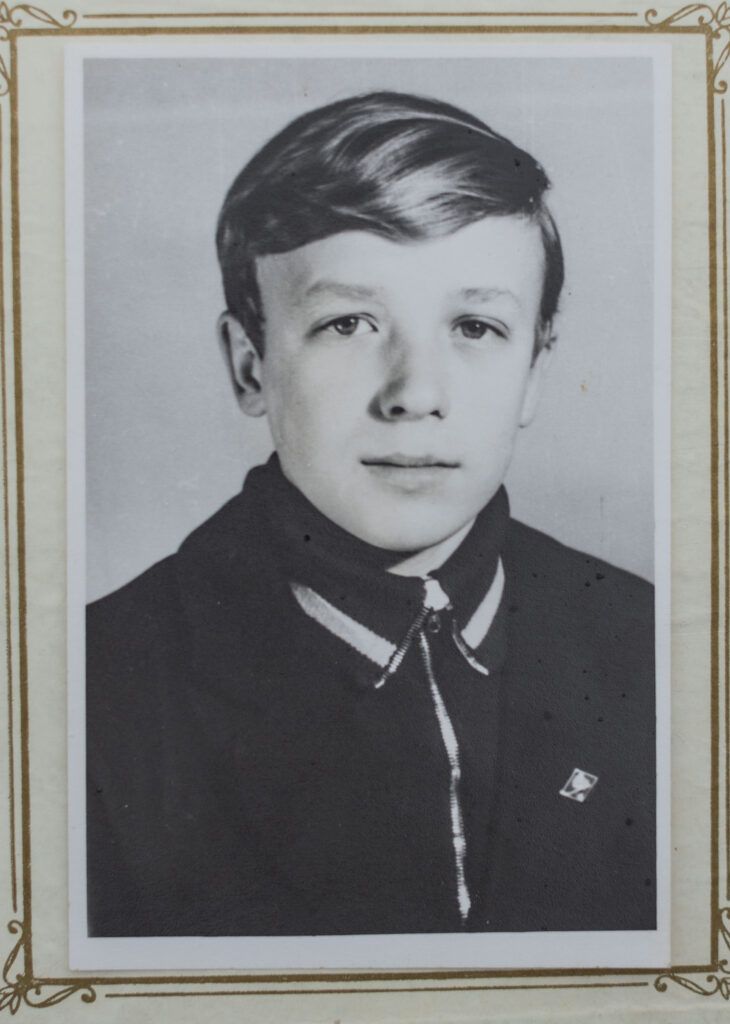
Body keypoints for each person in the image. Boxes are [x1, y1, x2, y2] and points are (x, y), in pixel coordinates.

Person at [86, 91, 656, 937]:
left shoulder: (656, 646)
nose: (415, 394)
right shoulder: (91, 693)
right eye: (348, 323)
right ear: (250, 365)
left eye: (476, 326)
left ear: (536, 370)